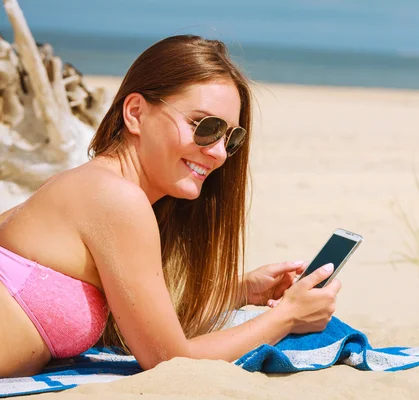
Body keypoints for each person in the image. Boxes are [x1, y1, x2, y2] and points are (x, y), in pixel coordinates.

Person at [0, 35, 341, 378]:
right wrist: (287, 317)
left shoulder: (93, 187)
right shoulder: (115, 199)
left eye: (230, 137)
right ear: (135, 113)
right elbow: (170, 361)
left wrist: (238, 291)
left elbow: (144, 323)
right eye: (204, 126)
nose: (220, 153)